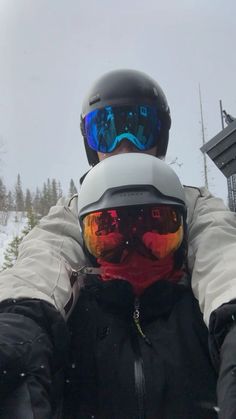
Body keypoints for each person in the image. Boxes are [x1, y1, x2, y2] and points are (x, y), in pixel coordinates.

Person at [0, 69, 235, 417]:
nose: (124, 144)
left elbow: (222, 257)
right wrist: (19, 324)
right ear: (91, 143)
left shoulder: (191, 205)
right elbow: (43, 262)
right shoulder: (74, 212)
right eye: (107, 131)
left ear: (160, 137)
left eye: (140, 129)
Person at [62, 152, 217, 419]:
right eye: (110, 236)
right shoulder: (71, 324)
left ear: (183, 238)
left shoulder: (204, 318)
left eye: (155, 228)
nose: (133, 252)